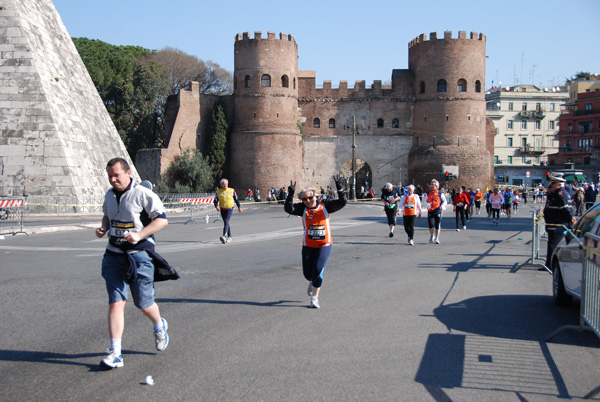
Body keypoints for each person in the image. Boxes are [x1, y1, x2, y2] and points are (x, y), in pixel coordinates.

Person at [95, 157, 172, 369]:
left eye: (116, 175)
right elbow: (106, 217)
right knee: (116, 302)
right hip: (113, 254)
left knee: (144, 304)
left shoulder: (143, 194)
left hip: (139, 256)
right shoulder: (109, 195)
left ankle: (159, 325)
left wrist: (139, 235)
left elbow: (162, 219)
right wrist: (103, 228)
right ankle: (116, 353)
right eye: (109, 176)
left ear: (128, 173)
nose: (112, 180)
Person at [284, 175, 346, 309]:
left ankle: (315, 297)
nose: (308, 201)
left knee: (318, 269)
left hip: (325, 244)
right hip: (308, 245)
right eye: (305, 199)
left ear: (316, 196)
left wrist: (340, 189)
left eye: (310, 198)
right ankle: (312, 282)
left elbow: (342, 203)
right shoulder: (302, 208)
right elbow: (289, 209)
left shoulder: (326, 205)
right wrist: (290, 195)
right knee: (308, 274)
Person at [543, 175, 577, 271]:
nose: (551, 186)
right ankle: (549, 264)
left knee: (553, 245)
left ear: (558, 185)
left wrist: (570, 218)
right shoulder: (558, 193)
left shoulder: (560, 194)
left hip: (557, 223)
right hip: (555, 223)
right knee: (553, 245)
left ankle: (550, 265)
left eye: (553, 184)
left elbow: (565, 208)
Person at [214, 178, 243, 243]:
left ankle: (224, 235)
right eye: (224, 185)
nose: (225, 186)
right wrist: (216, 206)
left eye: (226, 184)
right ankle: (230, 236)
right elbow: (215, 200)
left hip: (229, 208)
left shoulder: (231, 190)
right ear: (221, 185)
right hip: (222, 209)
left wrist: (239, 207)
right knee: (226, 222)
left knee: (226, 220)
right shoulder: (218, 192)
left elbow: (236, 199)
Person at [423, 179, 447, 244]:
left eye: (433, 185)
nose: (432, 186)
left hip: (438, 210)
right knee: (430, 225)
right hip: (430, 210)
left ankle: (437, 238)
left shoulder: (440, 193)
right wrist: (427, 204)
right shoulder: (428, 193)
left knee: (437, 224)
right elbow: (425, 201)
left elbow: (445, 201)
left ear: (436, 186)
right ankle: (431, 235)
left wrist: (442, 206)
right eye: (431, 185)